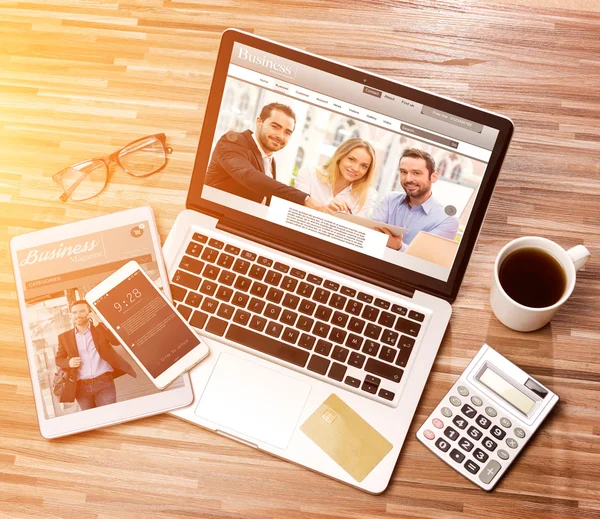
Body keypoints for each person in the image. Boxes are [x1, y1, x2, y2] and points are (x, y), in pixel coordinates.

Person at [206, 102, 327, 212]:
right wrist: (304, 199)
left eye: (287, 132)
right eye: (275, 127)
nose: (280, 135)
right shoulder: (233, 141)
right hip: (214, 216)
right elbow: (249, 176)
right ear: (259, 122)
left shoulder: (270, 161)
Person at [55, 300, 137, 410]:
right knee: (91, 420)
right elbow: (58, 360)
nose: (78, 315)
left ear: (89, 312)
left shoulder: (99, 329)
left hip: (104, 382)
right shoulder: (64, 337)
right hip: (81, 387)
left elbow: (115, 341)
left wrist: (98, 324)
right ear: (71, 315)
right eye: (74, 312)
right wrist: (68, 362)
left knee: (110, 415)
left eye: (82, 311)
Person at [372, 148, 459, 250]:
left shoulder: (447, 220)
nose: (408, 179)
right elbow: (371, 236)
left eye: (416, 173)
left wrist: (399, 247)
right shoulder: (390, 200)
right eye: (403, 172)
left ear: (434, 177)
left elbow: (426, 257)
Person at [294, 138, 378, 217]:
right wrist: (324, 209)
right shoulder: (309, 173)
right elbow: (296, 209)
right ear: (340, 156)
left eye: (364, 166)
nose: (356, 168)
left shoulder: (366, 194)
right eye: (351, 159)